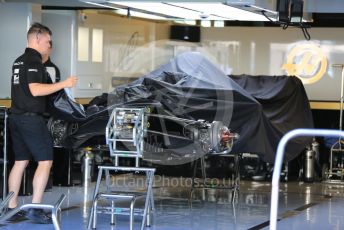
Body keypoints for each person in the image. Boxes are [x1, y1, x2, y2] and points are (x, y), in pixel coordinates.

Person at [7, 22, 78, 224]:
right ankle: (35, 209)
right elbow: (36, 90)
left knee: (20, 162)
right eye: (48, 41)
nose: (49, 44)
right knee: (45, 161)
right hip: (31, 120)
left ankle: (12, 209)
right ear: (37, 38)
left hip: (16, 118)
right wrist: (65, 83)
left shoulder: (19, 61)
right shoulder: (33, 61)